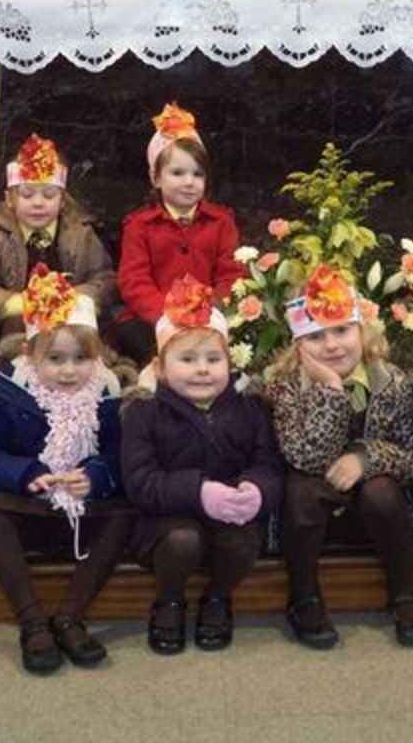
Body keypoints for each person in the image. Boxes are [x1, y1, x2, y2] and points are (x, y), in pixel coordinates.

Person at [0, 266, 134, 674]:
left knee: (125, 514)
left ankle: (70, 616)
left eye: (81, 359)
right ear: (31, 354)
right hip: (25, 504)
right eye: (55, 359)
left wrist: (97, 475)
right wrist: (23, 472)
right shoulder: (1, 391)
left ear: (98, 357)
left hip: (84, 513)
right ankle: (32, 620)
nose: (69, 371)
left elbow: (126, 458)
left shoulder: (110, 395)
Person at [266, 265, 413, 649]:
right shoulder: (285, 386)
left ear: (362, 331)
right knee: (301, 489)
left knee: (383, 491)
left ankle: (404, 593)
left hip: (371, 505)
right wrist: (330, 390)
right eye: (316, 336)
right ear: (297, 345)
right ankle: (304, 597)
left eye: (342, 330)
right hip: (314, 499)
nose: (333, 345)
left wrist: (365, 458)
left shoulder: (390, 381)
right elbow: (304, 456)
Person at [122, 274, 282, 654]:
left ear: (230, 362)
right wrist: (198, 491)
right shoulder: (143, 412)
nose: (202, 369)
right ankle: (170, 599)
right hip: (164, 520)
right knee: (183, 540)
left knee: (244, 540)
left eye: (214, 359)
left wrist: (257, 491)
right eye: (187, 360)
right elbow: (141, 481)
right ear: (160, 368)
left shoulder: (249, 409)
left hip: (228, 514)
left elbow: (268, 463)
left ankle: (218, 597)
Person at [0, 133, 116, 360]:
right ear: (9, 199)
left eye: (48, 195)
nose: (38, 203)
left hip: (73, 319)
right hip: (19, 323)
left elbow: (103, 278)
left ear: (62, 200)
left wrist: (69, 299)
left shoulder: (81, 235)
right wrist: (27, 303)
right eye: (27, 195)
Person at [116, 103, 245, 365]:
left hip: (209, 318)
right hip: (154, 319)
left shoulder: (221, 221)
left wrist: (210, 313)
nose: (189, 182)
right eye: (177, 173)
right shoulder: (139, 225)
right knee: (134, 337)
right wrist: (168, 317)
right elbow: (134, 281)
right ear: (156, 178)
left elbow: (231, 274)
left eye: (198, 174)